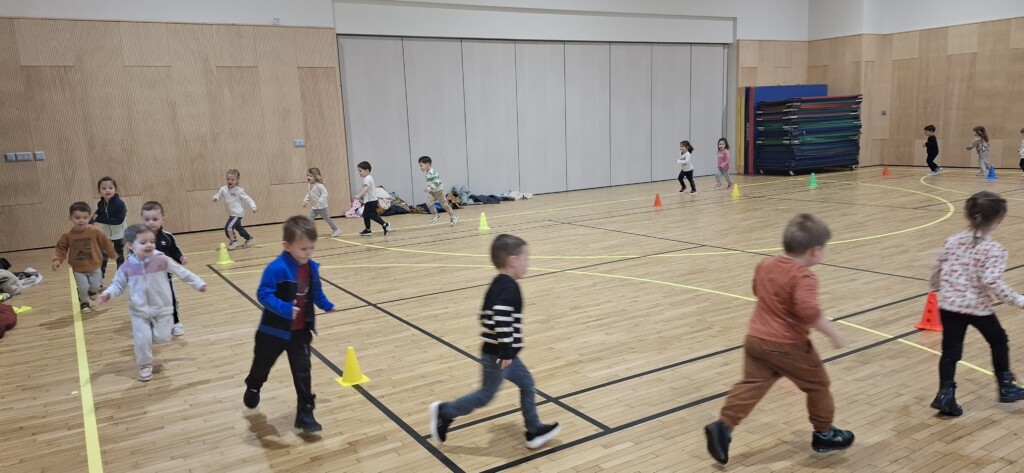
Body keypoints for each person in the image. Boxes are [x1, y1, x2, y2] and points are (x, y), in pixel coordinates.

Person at [705, 213, 853, 465]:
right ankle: (825, 434)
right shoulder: (803, 276)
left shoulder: (764, 265)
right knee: (818, 385)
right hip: (787, 345)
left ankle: (723, 427)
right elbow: (808, 311)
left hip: (755, 339)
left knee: (752, 384)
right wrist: (833, 333)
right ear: (815, 251)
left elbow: (757, 290)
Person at [429, 234, 561, 450]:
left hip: (502, 353)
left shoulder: (497, 285)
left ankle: (534, 429)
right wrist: (506, 350)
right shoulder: (509, 287)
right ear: (513, 261)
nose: (528, 263)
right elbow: (500, 316)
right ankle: (445, 412)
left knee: (527, 384)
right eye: (526, 258)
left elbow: (483, 315)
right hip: (500, 355)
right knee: (485, 396)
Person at [928, 191, 1024, 417]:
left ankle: (945, 394)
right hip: (977, 308)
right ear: (999, 220)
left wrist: (934, 288)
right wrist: (1017, 300)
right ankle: (1006, 384)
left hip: (949, 305)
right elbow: (990, 280)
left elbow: (937, 266)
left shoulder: (953, 240)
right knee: (998, 340)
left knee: (951, 350)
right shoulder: (995, 250)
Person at [242, 216, 337, 433]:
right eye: (304, 249)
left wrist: (326, 305)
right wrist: (284, 308)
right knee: (262, 366)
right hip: (272, 332)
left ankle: (305, 413)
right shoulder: (276, 268)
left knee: (303, 373)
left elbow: (316, 292)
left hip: (300, 333)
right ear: (287, 246)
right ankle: (254, 384)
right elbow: (263, 294)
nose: (308, 253)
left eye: (312, 248)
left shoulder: (311, 267)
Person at [96, 224, 207, 381]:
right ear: (130, 246)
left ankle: (155, 335)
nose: (149, 245)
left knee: (162, 337)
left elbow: (182, 272)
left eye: (151, 241)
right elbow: (118, 285)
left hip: (163, 309)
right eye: (143, 242)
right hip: (139, 311)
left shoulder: (161, 260)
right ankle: (144, 365)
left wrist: (198, 283)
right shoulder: (127, 267)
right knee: (142, 339)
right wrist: (108, 294)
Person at [52, 202, 118, 314]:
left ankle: (92, 292)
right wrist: (57, 260)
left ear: (90, 217)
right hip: (78, 268)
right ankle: (84, 302)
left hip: (95, 266)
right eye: (77, 218)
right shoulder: (67, 235)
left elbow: (105, 243)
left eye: (85, 217)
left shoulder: (96, 231)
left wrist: (112, 254)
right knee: (83, 287)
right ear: (70, 218)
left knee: (96, 285)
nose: (81, 220)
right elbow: (61, 248)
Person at [141, 201, 189, 336]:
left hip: (165, 278)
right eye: (147, 219)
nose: (151, 222)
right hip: (147, 280)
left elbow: (174, 250)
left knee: (171, 300)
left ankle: (176, 323)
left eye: (155, 219)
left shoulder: (167, 237)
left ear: (163, 219)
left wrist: (180, 258)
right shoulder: (139, 238)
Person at [212, 168, 258, 250]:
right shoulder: (223, 189)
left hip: (237, 213)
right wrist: (216, 198)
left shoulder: (239, 191)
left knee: (228, 227)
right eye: (228, 179)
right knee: (239, 228)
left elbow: (248, 199)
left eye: (232, 180)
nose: (230, 181)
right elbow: (219, 195)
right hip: (231, 213)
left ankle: (234, 241)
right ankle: (249, 239)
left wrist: (253, 206)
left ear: (237, 180)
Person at [92, 176, 126, 279]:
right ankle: (100, 278)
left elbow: (118, 221)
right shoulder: (100, 203)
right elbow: (99, 212)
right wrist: (90, 220)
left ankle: (121, 278)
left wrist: (98, 219)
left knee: (119, 257)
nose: (107, 190)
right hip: (106, 235)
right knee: (103, 257)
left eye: (110, 188)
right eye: (104, 188)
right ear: (99, 191)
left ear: (115, 190)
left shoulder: (120, 204)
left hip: (119, 235)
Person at [418, 156, 458, 226]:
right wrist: (429, 188)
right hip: (433, 192)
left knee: (445, 205)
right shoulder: (427, 172)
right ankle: (436, 215)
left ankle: (453, 217)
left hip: (439, 192)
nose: (420, 167)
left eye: (421, 165)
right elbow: (431, 183)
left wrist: (429, 188)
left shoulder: (433, 172)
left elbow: (437, 182)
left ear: (427, 164)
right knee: (429, 204)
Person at [353, 161, 391, 236]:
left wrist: (359, 195)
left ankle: (385, 225)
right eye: (359, 171)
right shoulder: (367, 178)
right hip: (369, 201)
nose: (359, 173)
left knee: (372, 215)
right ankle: (368, 230)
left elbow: (366, 188)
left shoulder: (367, 178)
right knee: (365, 215)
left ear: (367, 170)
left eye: (360, 171)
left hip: (371, 201)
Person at [303, 167, 342, 237]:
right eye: (307, 176)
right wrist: (305, 201)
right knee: (309, 219)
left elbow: (325, 194)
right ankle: (307, 232)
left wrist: (319, 202)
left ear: (316, 177)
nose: (308, 177)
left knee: (327, 219)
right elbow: (309, 194)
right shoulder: (309, 185)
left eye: (310, 176)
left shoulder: (319, 185)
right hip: (314, 207)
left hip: (322, 207)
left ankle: (336, 229)